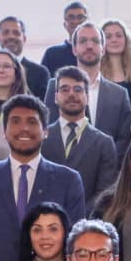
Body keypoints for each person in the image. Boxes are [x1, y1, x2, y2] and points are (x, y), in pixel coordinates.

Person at [0, 94, 86, 261]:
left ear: (46, 131)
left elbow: (74, 240)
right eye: (16, 121)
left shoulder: (68, 180)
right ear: (4, 131)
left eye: (32, 122)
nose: (24, 128)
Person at [42, 21, 131, 157]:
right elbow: (49, 131)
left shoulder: (119, 94)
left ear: (103, 49)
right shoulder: (55, 86)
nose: (89, 46)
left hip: (107, 172)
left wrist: (107, 166)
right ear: (74, 49)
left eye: (95, 41)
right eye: (83, 41)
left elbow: (124, 139)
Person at [42, 66, 120, 206]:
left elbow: (104, 193)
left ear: (88, 97)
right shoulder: (41, 138)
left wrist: (79, 218)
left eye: (78, 89)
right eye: (65, 89)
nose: (71, 94)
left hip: (87, 222)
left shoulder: (104, 143)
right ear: (55, 97)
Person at [101, 19, 131, 97]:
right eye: (108, 37)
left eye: (118, 36)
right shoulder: (95, 76)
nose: (114, 40)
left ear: (126, 40)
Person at [41, 1, 87, 73]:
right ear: (65, 24)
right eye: (71, 17)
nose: (76, 21)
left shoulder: (96, 52)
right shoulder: (52, 54)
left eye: (80, 17)